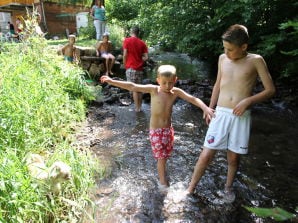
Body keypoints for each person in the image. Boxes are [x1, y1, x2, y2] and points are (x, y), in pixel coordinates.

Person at [186, 24, 276, 202]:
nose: (227, 53)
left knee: (233, 158)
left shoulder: (256, 60)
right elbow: (218, 85)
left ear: (244, 47)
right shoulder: (222, 59)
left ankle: (228, 187)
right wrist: (209, 108)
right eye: (224, 48)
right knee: (206, 154)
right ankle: (190, 189)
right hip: (220, 113)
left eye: (230, 49)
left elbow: (270, 90)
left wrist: (249, 100)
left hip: (240, 116)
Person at [100, 65, 215, 190]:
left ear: (175, 80)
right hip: (156, 132)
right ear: (158, 80)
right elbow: (132, 86)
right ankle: (163, 183)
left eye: (170, 83)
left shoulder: (175, 92)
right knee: (161, 158)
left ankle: (163, 174)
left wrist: (205, 108)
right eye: (164, 83)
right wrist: (111, 81)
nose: (167, 86)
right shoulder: (154, 90)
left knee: (165, 157)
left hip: (168, 130)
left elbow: (192, 98)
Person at [123, 26, 149, 112]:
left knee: (134, 89)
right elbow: (146, 57)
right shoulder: (142, 43)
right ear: (138, 33)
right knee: (140, 88)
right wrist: (140, 59)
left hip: (130, 68)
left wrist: (125, 65)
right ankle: (140, 107)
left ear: (131, 32)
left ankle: (136, 108)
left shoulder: (127, 40)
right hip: (139, 69)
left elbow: (125, 55)